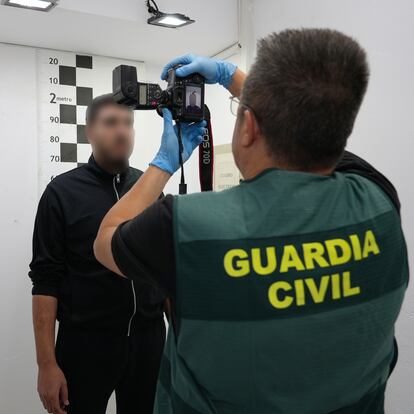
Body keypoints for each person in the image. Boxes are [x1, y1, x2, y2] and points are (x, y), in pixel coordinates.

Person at [94, 29, 408, 414]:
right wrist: (230, 76)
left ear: (250, 128)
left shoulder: (183, 225)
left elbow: (105, 239)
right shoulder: (378, 198)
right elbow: (322, 139)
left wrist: (163, 162)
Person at [29, 94, 166, 414]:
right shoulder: (61, 193)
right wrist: (46, 364)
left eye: (128, 123)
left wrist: (180, 342)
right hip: (85, 344)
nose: (122, 131)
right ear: (90, 131)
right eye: (111, 122)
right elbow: (45, 281)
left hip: (148, 341)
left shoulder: (149, 189)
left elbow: (165, 267)